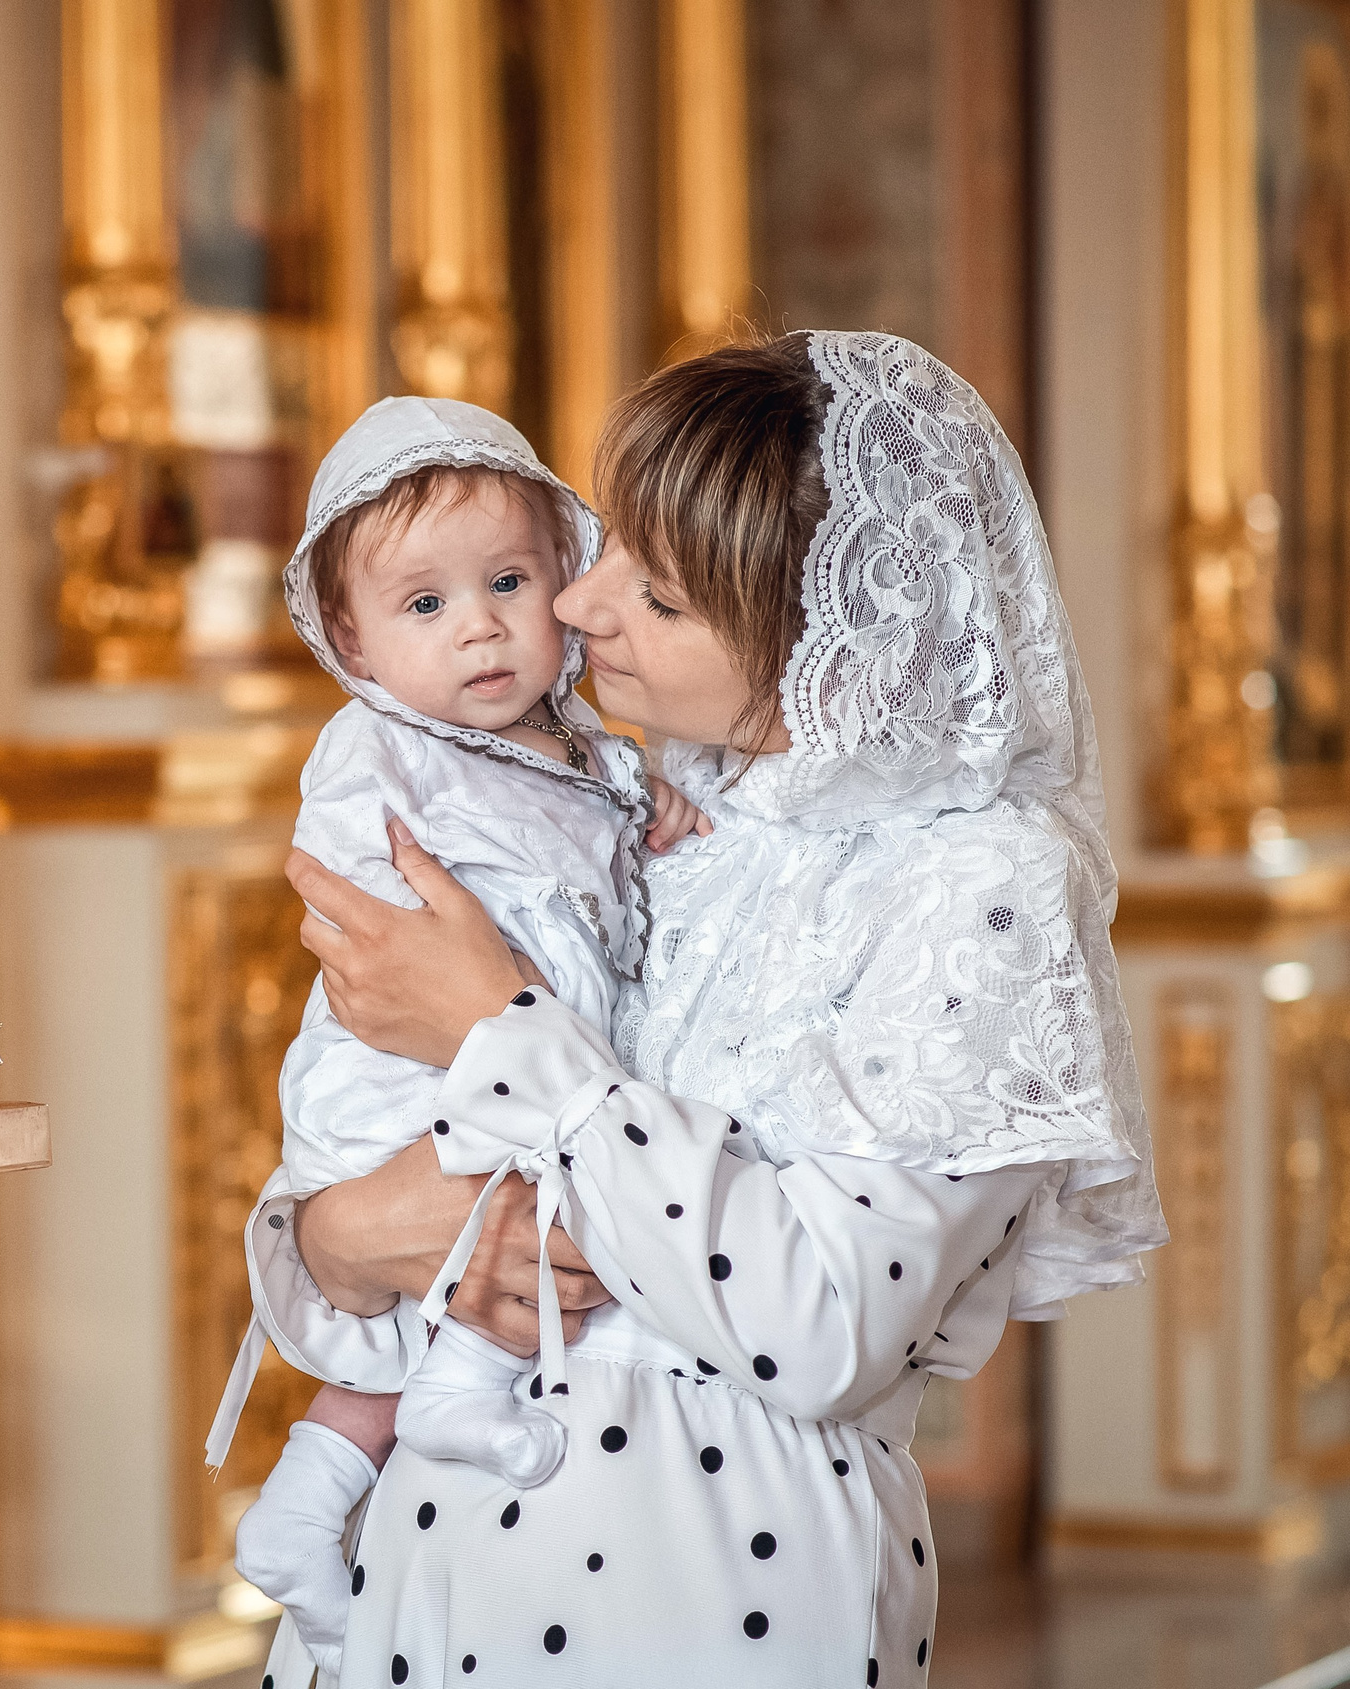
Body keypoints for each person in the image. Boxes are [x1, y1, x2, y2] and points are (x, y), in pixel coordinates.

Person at [250, 331, 1166, 1687]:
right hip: (413, 1584)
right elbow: (369, 1217)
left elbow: (821, 1329)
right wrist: (337, 1232)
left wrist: (495, 1024)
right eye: (609, 544)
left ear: (821, 643)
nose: (577, 603)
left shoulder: (978, 881)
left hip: (705, 1589)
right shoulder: (630, 810)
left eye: (659, 595)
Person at [208, 397, 705, 1677]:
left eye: (507, 583)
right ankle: (451, 1400)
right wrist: (499, 962)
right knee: (504, 1212)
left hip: (508, 1050)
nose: (478, 625)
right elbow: (364, 898)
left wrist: (656, 814)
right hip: (403, 1064)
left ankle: (306, 1500)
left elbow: (613, 854)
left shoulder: (583, 748)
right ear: (353, 643)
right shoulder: (376, 747)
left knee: (535, 1217)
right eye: (424, 605)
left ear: (564, 576)